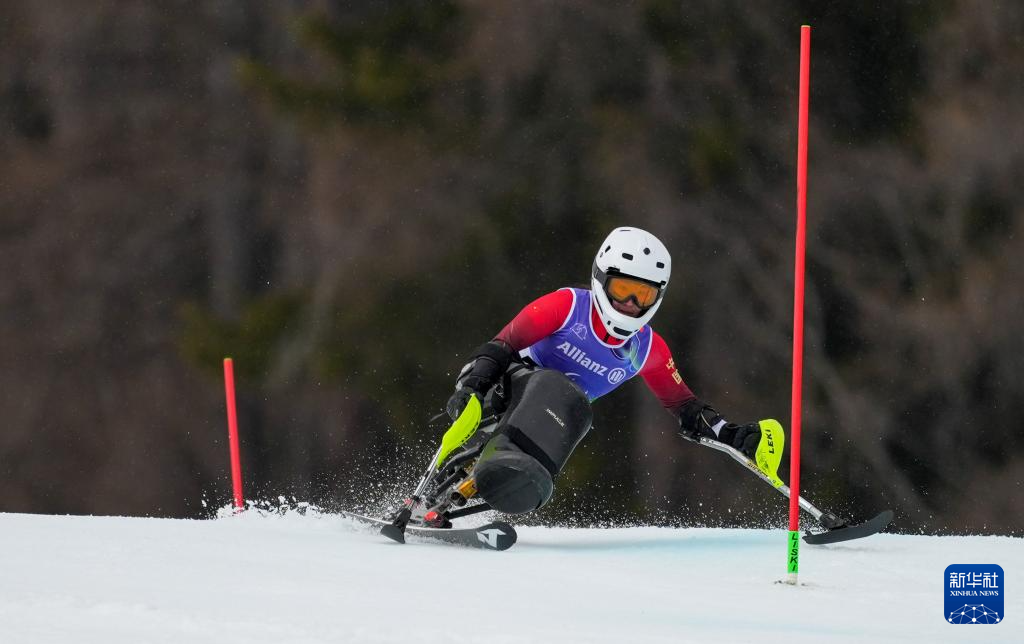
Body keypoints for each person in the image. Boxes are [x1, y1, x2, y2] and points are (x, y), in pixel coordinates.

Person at [434, 226, 783, 521]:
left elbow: (685, 407)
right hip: (510, 384)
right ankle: (490, 473)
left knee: (576, 410)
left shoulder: (649, 349)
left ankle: (484, 489)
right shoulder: (568, 306)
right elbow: (501, 345)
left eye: (642, 294)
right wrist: (471, 387)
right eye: (622, 289)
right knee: (558, 389)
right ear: (601, 279)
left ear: (656, 298)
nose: (630, 303)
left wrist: (733, 436)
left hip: (557, 413)